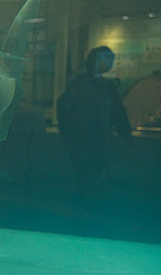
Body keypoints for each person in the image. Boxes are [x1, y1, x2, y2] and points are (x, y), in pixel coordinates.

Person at [57, 46, 132, 195]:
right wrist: (66, 133)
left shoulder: (107, 86)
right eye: (103, 58)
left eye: (110, 59)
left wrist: (126, 133)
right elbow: (64, 109)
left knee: (94, 175)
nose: (108, 62)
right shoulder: (79, 85)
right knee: (85, 176)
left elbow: (118, 112)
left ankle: (86, 207)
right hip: (81, 139)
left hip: (99, 140)